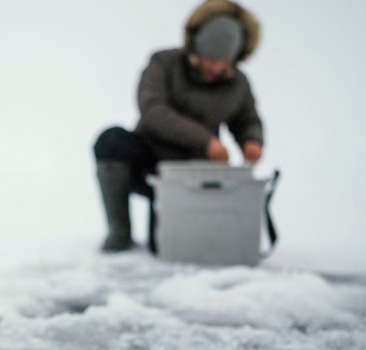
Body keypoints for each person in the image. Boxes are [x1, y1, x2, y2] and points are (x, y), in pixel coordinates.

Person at [93, 0, 263, 252]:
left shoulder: (238, 84)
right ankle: (120, 235)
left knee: (165, 247)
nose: (214, 66)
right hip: (148, 163)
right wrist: (206, 141)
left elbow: (247, 119)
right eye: (209, 58)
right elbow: (152, 109)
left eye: (222, 61)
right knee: (111, 141)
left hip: (192, 174)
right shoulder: (163, 63)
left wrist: (253, 141)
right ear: (196, 47)